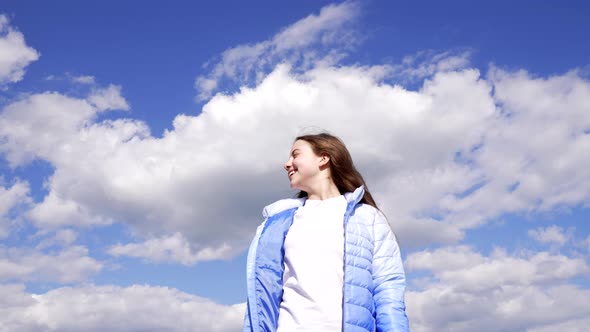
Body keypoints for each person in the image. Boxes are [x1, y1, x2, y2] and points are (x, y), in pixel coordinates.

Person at [243, 133, 409, 332]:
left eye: (295, 155)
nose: (287, 164)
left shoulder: (367, 217)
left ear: (324, 158)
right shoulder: (276, 223)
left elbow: (388, 289)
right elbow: (261, 298)